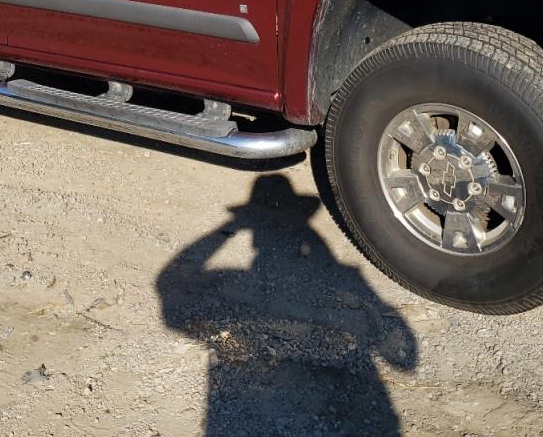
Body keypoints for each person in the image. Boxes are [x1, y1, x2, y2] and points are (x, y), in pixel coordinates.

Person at [157, 174, 417, 436]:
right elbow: (405, 359)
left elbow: (168, 284)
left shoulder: (241, 281)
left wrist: (233, 225)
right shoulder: (345, 280)